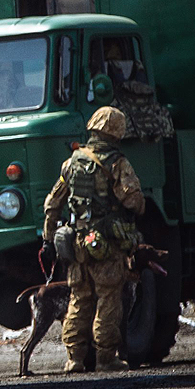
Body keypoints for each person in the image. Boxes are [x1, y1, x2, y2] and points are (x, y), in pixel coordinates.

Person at [41, 106, 144, 373]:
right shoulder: (117, 163)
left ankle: (74, 359)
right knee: (108, 299)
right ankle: (105, 358)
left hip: (76, 243)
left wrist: (48, 237)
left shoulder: (72, 162)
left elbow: (53, 204)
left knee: (80, 297)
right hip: (106, 244)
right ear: (117, 132)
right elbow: (133, 200)